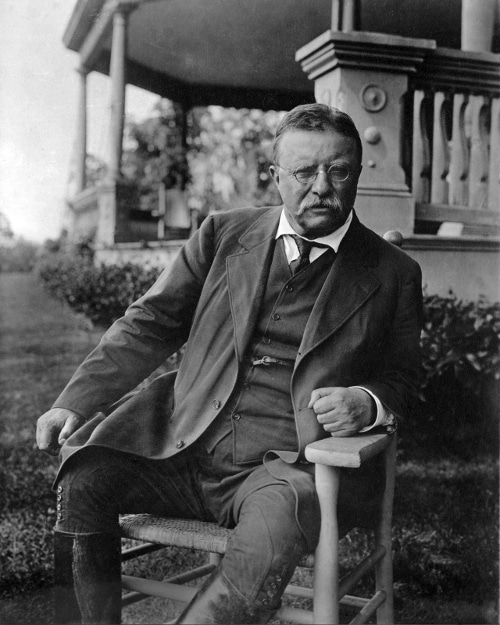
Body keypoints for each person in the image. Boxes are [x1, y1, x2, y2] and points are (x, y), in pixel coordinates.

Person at [36, 103, 423, 625]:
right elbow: (148, 323)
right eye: (305, 172)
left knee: (270, 534)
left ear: (357, 171)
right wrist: (74, 401)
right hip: (183, 444)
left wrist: (368, 402)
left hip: (286, 467)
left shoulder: (392, 272)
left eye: (339, 170)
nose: (322, 187)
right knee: (84, 477)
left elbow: (405, 379)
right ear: (275, 177)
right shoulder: (224, 234)